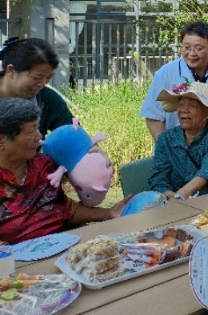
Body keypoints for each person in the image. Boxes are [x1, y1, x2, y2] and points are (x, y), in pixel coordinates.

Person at [0, 98, 130, 244]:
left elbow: (65, 209)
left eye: (37, 128)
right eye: (31, 132)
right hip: (17, 255)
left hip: (66, 243)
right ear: (1, 141)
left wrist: (107, 213)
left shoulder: (44, 164)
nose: (39, 136)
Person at [139, 22, 208, 141]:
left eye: (199, 48)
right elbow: (153, 116)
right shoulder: (165, 73)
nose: (192, 53)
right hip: (173, 145)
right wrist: (167, 147)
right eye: (187, 47)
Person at [149, 82, 208, 199]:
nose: (184, 110)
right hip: (176, 202)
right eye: (181, 104)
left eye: (192, 106)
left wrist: (182, 194)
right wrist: (171, 195)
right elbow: (158, 180)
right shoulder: (166, 139)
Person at [0, 37, 73, 136]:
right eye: (36, 77)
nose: (42, 84)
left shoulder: (46, 98)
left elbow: (71, 133)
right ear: (11, 70)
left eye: (48, 77)